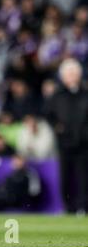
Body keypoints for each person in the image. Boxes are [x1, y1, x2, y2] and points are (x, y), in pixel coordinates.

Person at [44, 58, 88, 214]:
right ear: (62, 76)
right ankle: (68, 207)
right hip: (64, 142)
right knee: (65, 176)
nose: (71, 76)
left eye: (74, 73)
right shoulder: (57, 94)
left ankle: (84, 207)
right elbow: (48, 114)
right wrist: (57, 127)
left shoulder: (84, 93)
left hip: (84, 143)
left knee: (84, 177)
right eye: (68, 73)